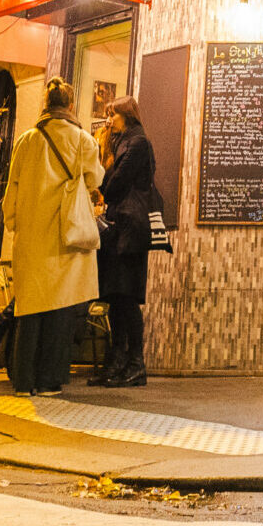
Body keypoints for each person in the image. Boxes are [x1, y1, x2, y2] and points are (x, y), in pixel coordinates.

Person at [1, 78, 102, 396]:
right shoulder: (84, 139)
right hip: (65, 233)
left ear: (46, 105)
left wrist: (13, 221)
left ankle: (23, 380)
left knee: (29, 308)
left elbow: (12, 185)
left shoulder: (27, 139)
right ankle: (48, 380)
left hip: (31, 234)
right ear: (70, 106)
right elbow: (95, 177)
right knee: (60, 307)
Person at [90, 96, 158, 388]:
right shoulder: (121, 142)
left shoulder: (138, 143)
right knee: (117, 298)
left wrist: (103, 183)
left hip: (131, 229)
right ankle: (117, 362)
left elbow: (115, 184)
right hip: (120, 227)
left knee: (127, 299)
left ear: (126, 115)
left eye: (112, 114)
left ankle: (135, 364)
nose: (108, 120)